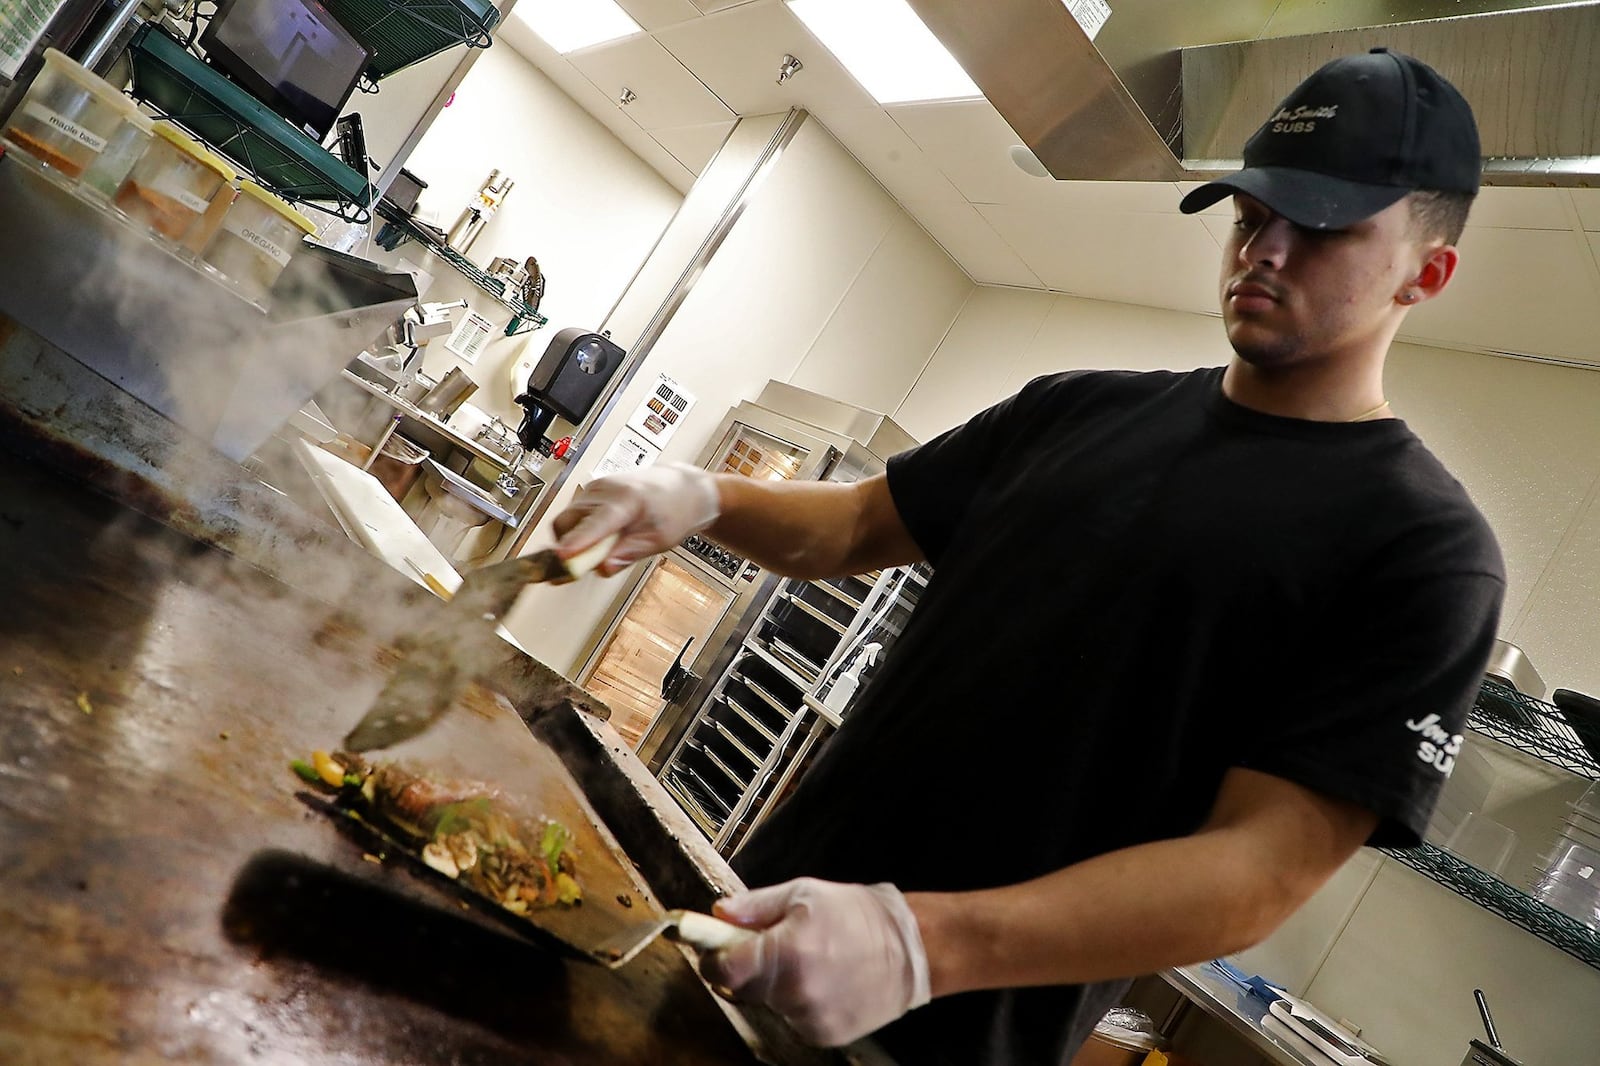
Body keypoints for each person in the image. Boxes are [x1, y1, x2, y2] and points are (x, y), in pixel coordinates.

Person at [551, 48, 1505, 1066]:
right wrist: (698, 497)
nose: (1265, 251)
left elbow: (1258, 870)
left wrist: (923, 944)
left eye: (1318, 228)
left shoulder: (1422, 552)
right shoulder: (1074, 408)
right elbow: (854, 527)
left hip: (950, 1036)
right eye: (1248, 216)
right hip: (756, 918)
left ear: (1427, 272)